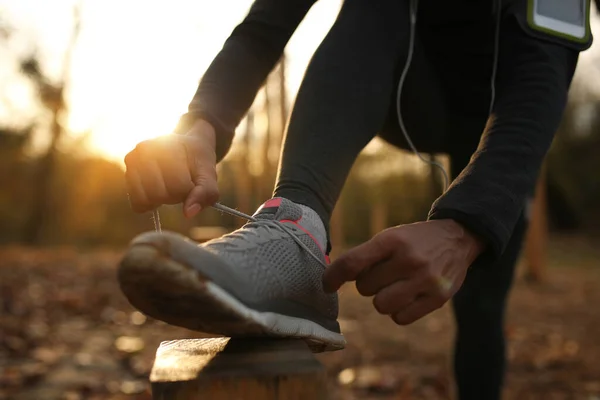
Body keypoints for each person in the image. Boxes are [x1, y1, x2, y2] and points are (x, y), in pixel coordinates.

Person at [118, 0, 593, 398]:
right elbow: (265, 27)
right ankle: (295, 231)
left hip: (500, 110)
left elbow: (543, 69)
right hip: (399, 83)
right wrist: (199, 125)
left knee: (482, 308)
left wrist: (466, 227)